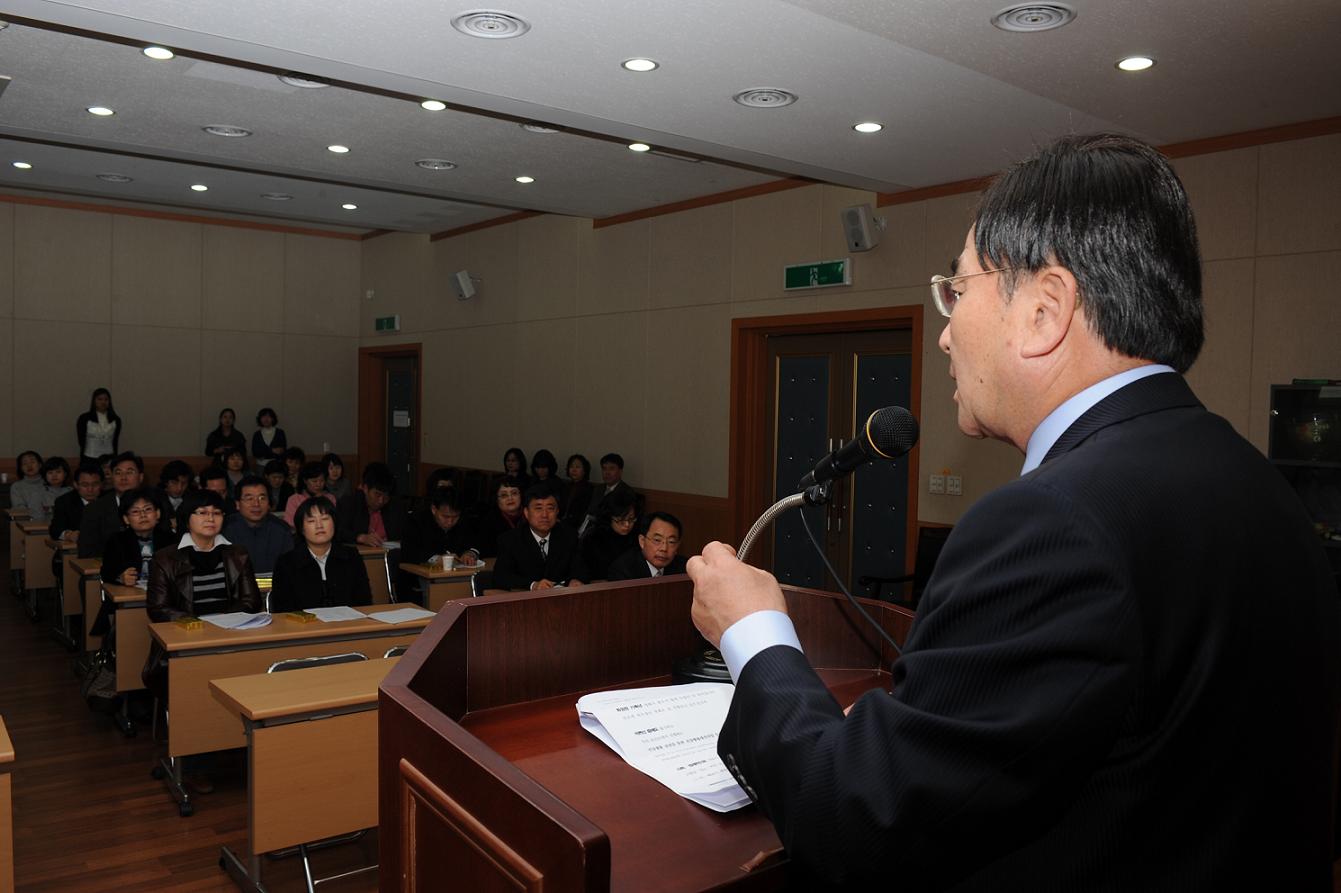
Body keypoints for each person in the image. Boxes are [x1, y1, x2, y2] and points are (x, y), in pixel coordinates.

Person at [687, 133, 1341, 891]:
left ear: (1044, 311)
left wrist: (753, 633)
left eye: (956, 291)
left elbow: (859, 819)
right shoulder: (1256, 482)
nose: (942, 331)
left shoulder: (1052, 523)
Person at [270, 497, 371, 613]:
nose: (319, 526)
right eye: (311, 521)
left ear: (334, 523)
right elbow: (282, 609)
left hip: (348, 626)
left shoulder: (351, 556)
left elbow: (364, 601)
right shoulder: (286, 563)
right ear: (302, 529)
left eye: (325, 519)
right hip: (303, 628)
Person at [493, 485, 586, 591]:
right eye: (538, 508)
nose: (545, 515)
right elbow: (500, 577)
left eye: (550, 508)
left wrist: (576, 579)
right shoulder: (510, 540)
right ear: (526, 513)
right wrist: (533, 585)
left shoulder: (569, 535)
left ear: (557, 512)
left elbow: (581, 568)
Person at [78, 452, 170, 558]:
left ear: (141, 477)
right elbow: (86, 552)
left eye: (129, 472)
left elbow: (166, 542)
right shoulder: (94, 509)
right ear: (111, 477)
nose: (123, 477)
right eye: (118, 473)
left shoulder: (156, 503)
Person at [99, 487, 175, 588]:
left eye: (148, 509)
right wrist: (120, 577)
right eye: (135, 511)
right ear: (126, 519)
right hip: (128, 597)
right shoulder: (117, 541)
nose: (143, 515)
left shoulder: (171, 540)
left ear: (157, 514)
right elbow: (106, 573)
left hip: (164, 596)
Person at [222, 475, 293, 574]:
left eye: (262, 498)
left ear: (269, 503)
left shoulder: (282, 529)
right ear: (237, 504)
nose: (256, 504)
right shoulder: (224, 528)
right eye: (249, 498)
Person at [401, 488, 479, 569]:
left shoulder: (464, 521)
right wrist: (435, 559)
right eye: (445, 517)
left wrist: (470, 554)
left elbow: (474, 544)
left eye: (455, 517)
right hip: (419, 576)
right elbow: (409, 552)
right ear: (434, 509)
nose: (450, 522)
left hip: (458, 574)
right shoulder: (416, 521)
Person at [335, 461, 404, 548]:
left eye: (386, 497)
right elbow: (338, 531)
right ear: (365, 488)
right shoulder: (349, 503)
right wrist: (360, 537)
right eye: (377, 494)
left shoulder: (395, 505)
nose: (381, 501)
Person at [578, 489, 638, 581]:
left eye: (631, 519)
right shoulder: (593, 538)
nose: (627, 525)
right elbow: (583, 571)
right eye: (620, 520)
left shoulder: (637, 536)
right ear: (608, 517)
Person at [606, 511, 687, 579]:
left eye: (671, 542)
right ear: (642, 541)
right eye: (657, 540)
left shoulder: (685, 568)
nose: (664, 548)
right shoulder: (622, 570)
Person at [580, 452, 637, 535]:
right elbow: (589, 511)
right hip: (592, 529)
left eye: (611, 469)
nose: (607, 472)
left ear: (620, 471)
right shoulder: (598, 489)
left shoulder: (626, 492)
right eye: (604, 469)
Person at [48, 462, 103, 544]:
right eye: (85, 485)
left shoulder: (110, 499)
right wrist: (69, 535)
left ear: (101, 484)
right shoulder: (64, 502)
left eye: (95, 484)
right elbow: (55, 530)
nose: (90, 489)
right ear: (76, 485)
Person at [475, 476, 525, 559]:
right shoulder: (489, 520)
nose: (510, 498)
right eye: (504, 495)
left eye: (514, 493)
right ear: (496, 499)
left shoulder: (532, 516)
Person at [283, 461, 335, 527]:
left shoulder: (330, 498)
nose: (318, 484)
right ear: (305, 481)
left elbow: (333, 522)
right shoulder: (294, 499)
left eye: (322, 481)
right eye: (314, 481)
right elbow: (290, 524)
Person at [75, 387, 121, 460]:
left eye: (106, 399)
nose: (103, 402)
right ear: (94, 401)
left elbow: (115, 441)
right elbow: (81, 440)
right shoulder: (84, 418)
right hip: (89, 457)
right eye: (99, 399)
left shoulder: (116, 420)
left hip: (109, 457)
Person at [8, 451, 46, 518]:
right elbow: (19, 509)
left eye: (32, 462)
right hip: (25, 522)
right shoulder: (16, 486)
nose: (29, 465)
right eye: (24, 463)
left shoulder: (48, 483)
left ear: (40, 465)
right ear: (21, 468)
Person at [559, 453, 593, 529]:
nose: (574, 470)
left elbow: (583, 513)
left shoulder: (589, 489)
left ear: (584, 471)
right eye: (571, 466)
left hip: (575, 525)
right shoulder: (565, 486)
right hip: (560, 522)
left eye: (577, 467)